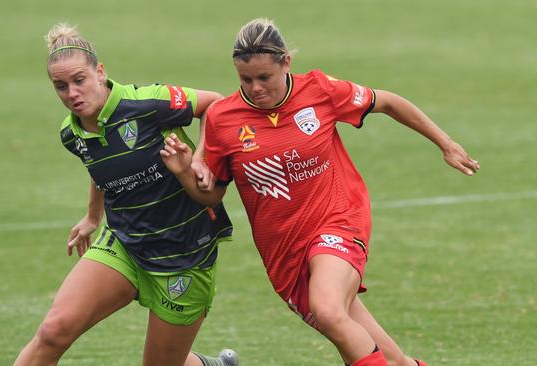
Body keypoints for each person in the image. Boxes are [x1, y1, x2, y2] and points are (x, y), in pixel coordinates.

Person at [161, 18, 480, 366]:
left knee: (327, 309)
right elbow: (212, 195)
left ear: (286, 63)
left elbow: (387, 101)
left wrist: (446, 144)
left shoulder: (319, 90)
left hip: (338, 220)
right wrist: (185, 176)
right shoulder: (224, 119)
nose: (254, 87)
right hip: (285, 252)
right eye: (246, 79)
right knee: (374, 346)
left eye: (264, 77)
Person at [14, 23, 239, 366]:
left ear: (100, 72)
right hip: (124, 244)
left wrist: (199, 159)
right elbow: (100, 166)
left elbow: (216, 105)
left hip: (183, 255)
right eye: (60, 86)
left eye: (79, 80)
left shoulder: (147, 102)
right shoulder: (71, 133)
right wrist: (93, 217)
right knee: (52, 332)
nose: (72, 93)